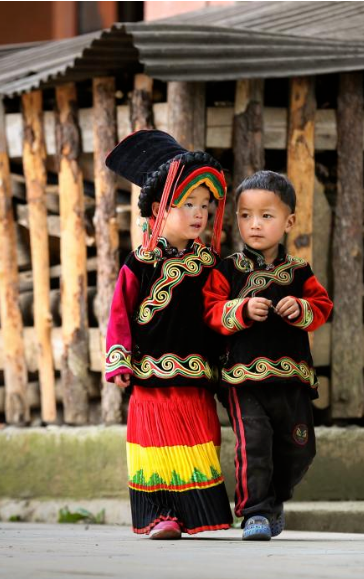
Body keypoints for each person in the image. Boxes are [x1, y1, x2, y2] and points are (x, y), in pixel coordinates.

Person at [104, 129, 233, 539]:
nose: (199, 214)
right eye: (188, 203)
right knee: (154, 447)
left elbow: (219, 316)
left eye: (205, 205)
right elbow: (119, 315)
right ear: (160, 208)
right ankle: (161, 515)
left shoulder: (212, 265)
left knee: (197, 442)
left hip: (196, 377)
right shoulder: (139, 263)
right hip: (150, 376)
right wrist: (119, 359)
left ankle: (193, 516)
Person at [203, 170, 333, 541]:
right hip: (243, 379)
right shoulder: (227, 269)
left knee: (300, 448)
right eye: (246, 216)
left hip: (292, 378)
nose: (255, 224)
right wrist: (240, 309)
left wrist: (301, 307)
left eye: (266, 215)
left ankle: (274, 499)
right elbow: (211, 311)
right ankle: (255, 512)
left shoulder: (299, 272)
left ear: (289, 222)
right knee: (254, 444)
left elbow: (322, 306)